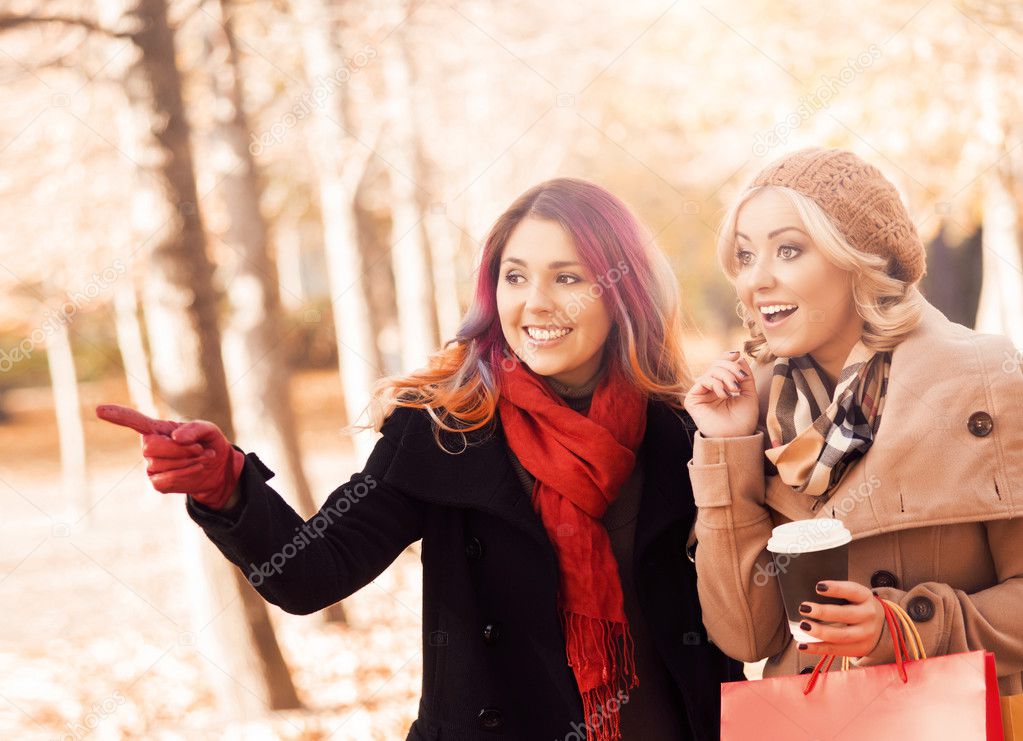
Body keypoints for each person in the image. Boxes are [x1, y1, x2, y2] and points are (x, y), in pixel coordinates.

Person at [98, 178, 743, 741]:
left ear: (619, 292)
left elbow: (752, 603)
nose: (535, 302)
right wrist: (227, 488)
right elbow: (310, 574)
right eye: (514, 276)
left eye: (567, 277)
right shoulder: (445, 427)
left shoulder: (682, 429)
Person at [684, 147, 1023, 693]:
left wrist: (901, 626)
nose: (755, 282)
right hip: (816, 722)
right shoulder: (760, 410)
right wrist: (727, 448)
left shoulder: (984, 379)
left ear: (859, 257)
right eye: (746, 257)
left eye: (788, 250)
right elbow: (747, 637)